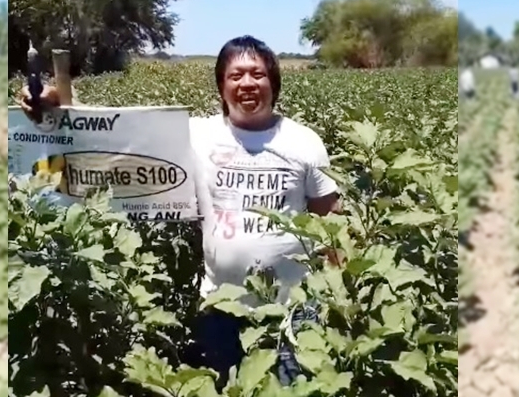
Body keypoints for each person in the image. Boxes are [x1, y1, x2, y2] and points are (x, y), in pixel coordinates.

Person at [17, 36, 340, 388]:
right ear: (221, 87)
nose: (247, 83)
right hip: (221, 307)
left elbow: (331, 226)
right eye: (236, 76)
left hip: (292, 314)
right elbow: (112, 131)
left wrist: (339, 300)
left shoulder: (303, 142)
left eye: (257, 74)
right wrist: (58, 103)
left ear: (273, 83)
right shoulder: (197, 134)